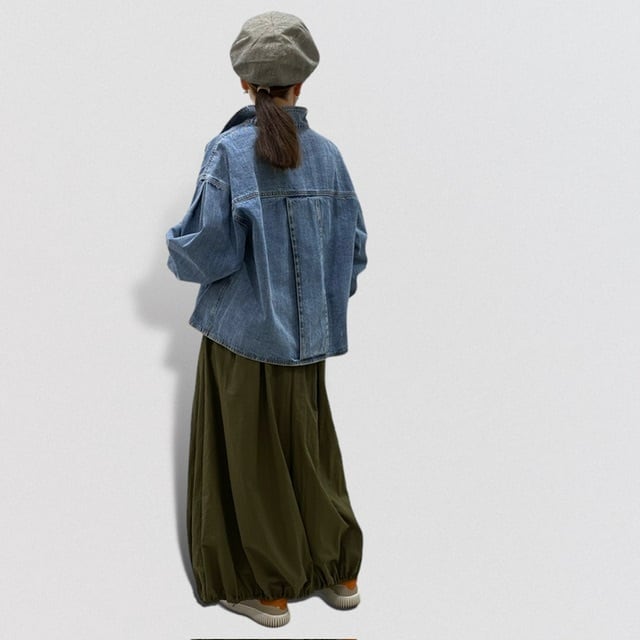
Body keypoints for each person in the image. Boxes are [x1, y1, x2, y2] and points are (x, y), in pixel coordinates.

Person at [165, 11, 368, 628]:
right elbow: (355, 251)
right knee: (310, 451)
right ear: (301, 82)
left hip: (243, 338)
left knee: (251, 463)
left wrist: (173, 246)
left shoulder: (229, 152)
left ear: (244, 82)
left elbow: (206, 252)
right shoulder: (329, 156)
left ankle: (266, 588)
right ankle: (339, 573)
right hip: (311, 343)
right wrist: (318, 309)